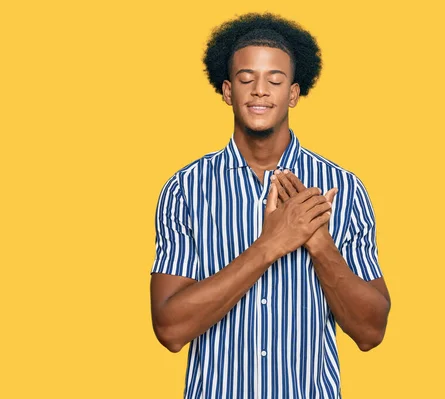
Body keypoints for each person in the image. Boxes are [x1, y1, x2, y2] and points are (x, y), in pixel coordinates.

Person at [150, 12, 391, 399]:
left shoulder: (343, 188)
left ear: (293, 94)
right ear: (228, 91)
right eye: (247, 79)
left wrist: (319, 244)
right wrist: (270, 245)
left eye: (274, 80)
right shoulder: (185, 190)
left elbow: (371, 332)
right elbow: (170, 330)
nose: (260, 90)